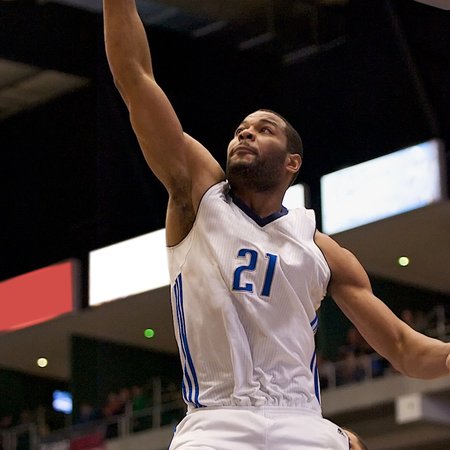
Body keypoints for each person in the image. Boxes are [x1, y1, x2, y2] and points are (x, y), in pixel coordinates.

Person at [102, 2, 450, 448]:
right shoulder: (198, 197)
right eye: (240, 129)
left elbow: (404, 349)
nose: (245, 133)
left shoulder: (322, 250)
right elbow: (135, 79)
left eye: (263, 129)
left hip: (299, 417)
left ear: (292, 163)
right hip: (217, 420)